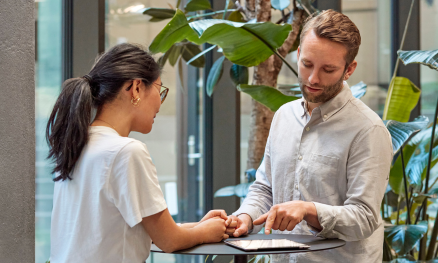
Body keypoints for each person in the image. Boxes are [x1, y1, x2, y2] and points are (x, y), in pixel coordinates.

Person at [229, 9, 393, 262]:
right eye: (306, 64)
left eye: (328, 69)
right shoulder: (284, 116)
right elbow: (265, 187)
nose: (313, 78)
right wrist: (245, 217)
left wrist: (309, 210)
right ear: (298, 55)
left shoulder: (368, 130)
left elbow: (364, 218)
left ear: (349, 70)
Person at [47, 43, 236, 263]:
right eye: (160, 89)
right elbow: (169, 240)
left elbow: (130, 229)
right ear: (136, 88)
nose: (160, 103)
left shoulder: (79, 144)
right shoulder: (126, 151)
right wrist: (206, 232)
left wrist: (198, 226)